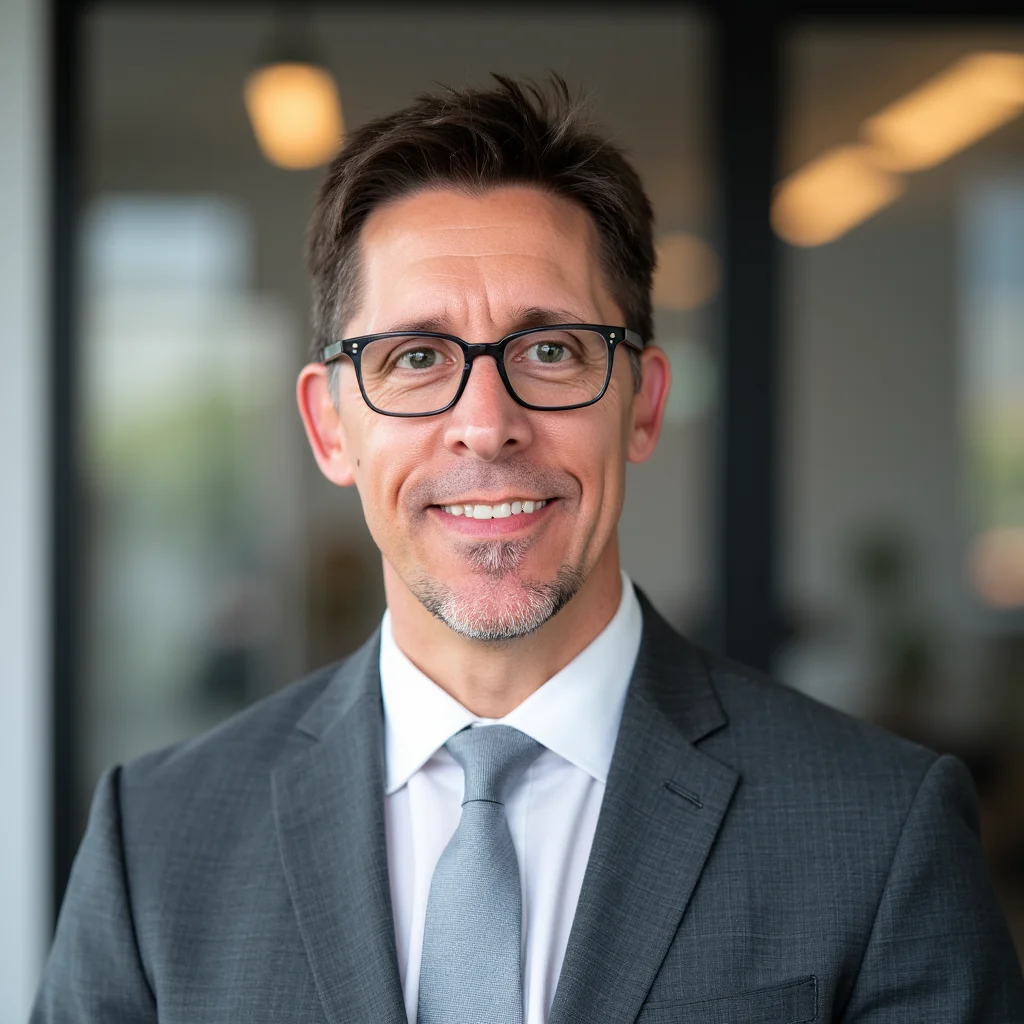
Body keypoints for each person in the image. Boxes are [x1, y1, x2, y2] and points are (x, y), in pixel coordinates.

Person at [33, 74, 1024, 1024]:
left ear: (642, 403)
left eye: (548, 349)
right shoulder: (156, 840)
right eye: (415, 358)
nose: (485, 423)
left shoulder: (876, 831)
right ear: (331, 427)